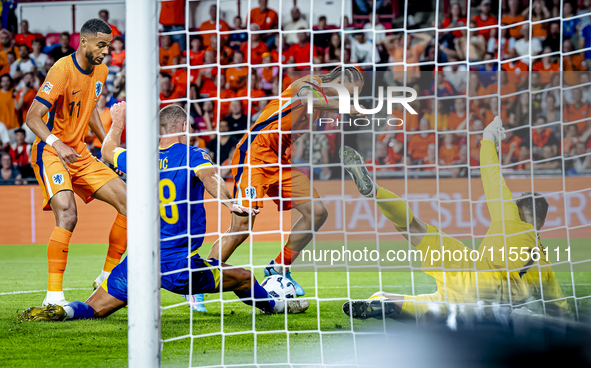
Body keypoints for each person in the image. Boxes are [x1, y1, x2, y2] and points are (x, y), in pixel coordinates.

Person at [19, 103, 309, 321]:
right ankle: (279, 305)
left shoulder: (139, 157)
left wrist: (118, 122)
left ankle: (64, 311)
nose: (193, 131)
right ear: (182, 126)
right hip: (178, 267)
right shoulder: (194, 155)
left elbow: (107, 151)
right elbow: (211, 179)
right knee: (244, 276)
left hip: (140, 261)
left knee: (94, 309)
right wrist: (227, 201)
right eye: (191, 127)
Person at [341, 117, 572, 321]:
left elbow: (491, 174)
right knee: (433, 302)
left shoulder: (509, 216)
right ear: (541, 224)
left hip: (472, 269)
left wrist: (488, 137)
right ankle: (386, 303)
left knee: (412, 227)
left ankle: (374, 192)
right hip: (492, 305)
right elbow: (559, 309)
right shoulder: (545, 265)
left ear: (517, 207)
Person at [210, 66, 365, 296]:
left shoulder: (325, 107)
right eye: (350, 93)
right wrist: (346, 106)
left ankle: (278, 267)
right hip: (254, 154)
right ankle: (199, 281)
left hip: (278, 160)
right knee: (242, 227)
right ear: (341, 81)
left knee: (317, 212)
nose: (352, 98)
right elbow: (309, 99)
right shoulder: (308, 83)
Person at [26, 18, 128, 307]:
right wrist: (56, 144)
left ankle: (107, 276)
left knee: (130, 204)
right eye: (101, 45)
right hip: (51, 152)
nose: (105, 51)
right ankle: (53, 296)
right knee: (69, 215)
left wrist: (111, 148)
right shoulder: (61, 69)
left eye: (108, 46)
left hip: (80, 154)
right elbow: (32, 117)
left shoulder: (102, 71)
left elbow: (90, 109)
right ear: (83, 41)